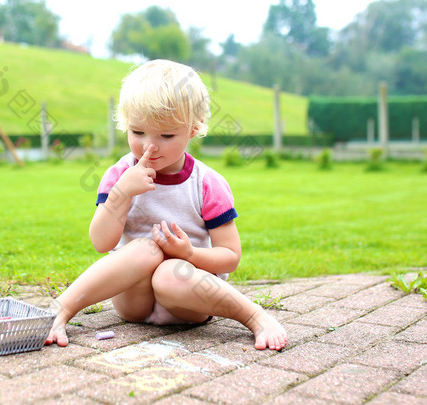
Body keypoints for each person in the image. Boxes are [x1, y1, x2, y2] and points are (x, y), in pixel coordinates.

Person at [45, 59, 288, 351]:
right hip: (133, 302)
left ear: (194, 129)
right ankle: (61, 309)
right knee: (144, 249)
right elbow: (100, 242)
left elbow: (230, 257)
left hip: (187, 301)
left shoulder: (206, 184)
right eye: (138, 132)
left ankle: (255, 316)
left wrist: (189, 253)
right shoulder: (120, 175)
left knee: (171, 272)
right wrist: (122, 193)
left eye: (167, 135)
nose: (150, 146)